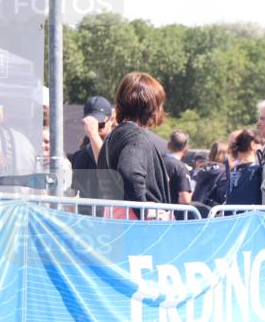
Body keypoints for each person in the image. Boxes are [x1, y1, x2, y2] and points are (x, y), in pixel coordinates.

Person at [96, 72, 170, 215]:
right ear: (152, 106)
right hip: (137, 224)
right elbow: (129, 172)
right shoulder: (135, 137)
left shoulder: (114, 137)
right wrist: (145, 211)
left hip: (117, 219)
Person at [70, 95, 116, 214]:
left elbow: (108, 170)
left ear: (111, 120)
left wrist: (93, 135)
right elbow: (74, 193)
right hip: (86, 222)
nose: (95, 129)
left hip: (112, 221)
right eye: (92, 124)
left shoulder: (119, 150)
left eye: (100, 124)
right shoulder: (80, 156)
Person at [163, 131, 193, 205]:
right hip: (169, 213)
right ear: (186, 149)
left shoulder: (156, 161)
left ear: (168, 145)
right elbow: (185, 199)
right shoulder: (181, 168)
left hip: (150, 211)